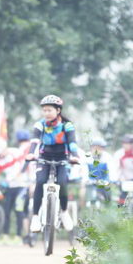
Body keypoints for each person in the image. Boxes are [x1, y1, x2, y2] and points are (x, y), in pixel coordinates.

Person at [26, 95, 79, 233]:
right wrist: (31, 153)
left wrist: (75, 156)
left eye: (49, 110)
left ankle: (64, 211)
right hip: (44, 157)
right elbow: (35, 140)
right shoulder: (40, 124)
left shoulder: (67, 125)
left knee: (62, 182)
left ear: (58, 110)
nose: (46, 113)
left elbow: (72, 143)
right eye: (44, 110)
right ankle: (36, 217)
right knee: (40, 181)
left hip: (63, 158)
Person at [0, 130, 32, 237]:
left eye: (1, 154)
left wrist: (14, 177)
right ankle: (5, 235)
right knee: (6, 210)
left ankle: (19, 235)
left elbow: (24, 166)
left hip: (21, 186)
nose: (0, 156)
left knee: (19, 210)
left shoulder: (16, 152)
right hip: (10, 187)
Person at [85, 138, 112, 204]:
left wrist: (111, 180)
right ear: (91, 148)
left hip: (104, 180)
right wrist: (85, 179)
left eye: (99, 148)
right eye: (94, 148)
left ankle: (107, 206)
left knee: (107, 196)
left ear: (103, 149)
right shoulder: (86, 157)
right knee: (83, 193)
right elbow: (83, 170)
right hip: (90, 181)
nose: (97, 150)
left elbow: (112, 170)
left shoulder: (107, 157)